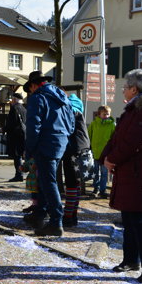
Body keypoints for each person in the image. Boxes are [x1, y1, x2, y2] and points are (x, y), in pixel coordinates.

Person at [103, 69, 142, 283]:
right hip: (131, 171)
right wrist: (105, 157)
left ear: (134, 88)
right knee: (129, 219)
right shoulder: (134, 110)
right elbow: (118, 138)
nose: (123, 90)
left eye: (125, 87)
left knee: (141, 220)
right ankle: (131, 260)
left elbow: (132, 143)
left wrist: (113, 159)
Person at [23, 70, 75, 237]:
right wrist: (64, 136)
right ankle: (39, 214)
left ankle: (55, 222)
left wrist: (29, 149)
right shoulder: (62, 97)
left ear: (33, 85)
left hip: (45, 143)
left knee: (48, 181)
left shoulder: (37, 97)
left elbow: (33, 126)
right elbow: (71, 122)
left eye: (30, 88)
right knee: (45, 179)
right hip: (60, 142)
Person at [59, 93, 91, 228]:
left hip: (72, 149)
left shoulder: (71, 111)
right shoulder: (79, 112)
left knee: (71, 185)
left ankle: (67, 216)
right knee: (76, 185)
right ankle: (73, 215)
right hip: (82, 148)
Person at [88, 105, 115, 198]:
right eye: (104, 114)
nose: (106, 115)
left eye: (108, 114)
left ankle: (102, 190)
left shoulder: (112, 125)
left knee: (104, 173)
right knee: (96, 172)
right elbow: (89, 135)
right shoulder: (93, 124)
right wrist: (89, 147)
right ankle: (95, 189)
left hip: (106, 154)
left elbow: (114, 138)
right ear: (99, 114)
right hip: (95, 153)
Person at [3, 92, 27, 182]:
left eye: (12, 99)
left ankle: (19, 174)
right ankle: (20, 174)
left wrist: (4, 129)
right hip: (22, 135)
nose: (11, 101)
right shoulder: (24, 109)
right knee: (20, 155)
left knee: (17, 157)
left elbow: (11, 123)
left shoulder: (14, 109)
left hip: (15, 136)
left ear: (15, 100)